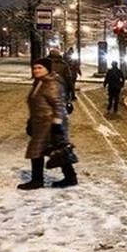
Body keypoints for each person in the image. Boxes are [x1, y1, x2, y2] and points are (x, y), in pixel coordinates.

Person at [19, 58, 78, 189]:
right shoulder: (40, 82)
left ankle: (37, 180)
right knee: (55, 151)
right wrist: (31, 121)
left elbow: (59, 105)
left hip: (49, 124)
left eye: (40, 68)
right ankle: (70, 178)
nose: (36, 70)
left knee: (41, 151)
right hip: (40, 123)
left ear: (47, 69)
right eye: (35, 68)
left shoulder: (51, 83)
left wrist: (57, 124)